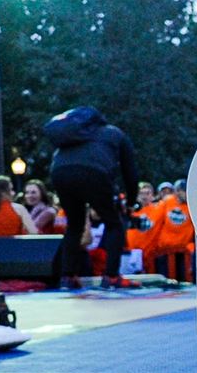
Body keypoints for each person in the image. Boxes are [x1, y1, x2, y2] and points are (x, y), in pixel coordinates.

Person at [45, 106, 138, 290]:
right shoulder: (115, 133)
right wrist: (130, 202)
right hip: (94, 172)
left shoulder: (72, 137)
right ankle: (111, 276)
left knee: (74, 224)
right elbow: (130, 173)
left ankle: (68, 276)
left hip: (60, 172)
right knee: (114, 223)